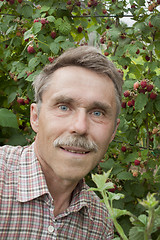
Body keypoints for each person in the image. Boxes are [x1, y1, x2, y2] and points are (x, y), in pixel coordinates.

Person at [0, 46, 123, 239]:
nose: (80, 127)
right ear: (35, 117)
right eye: (64, 107)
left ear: (113, 131)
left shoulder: (100, 224)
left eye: (97, 113)